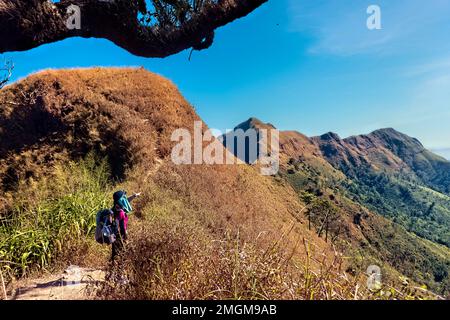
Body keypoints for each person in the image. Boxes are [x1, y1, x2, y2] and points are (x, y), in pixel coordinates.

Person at [111, 190, 141, 262]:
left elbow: (126, 200)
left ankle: (113, 266)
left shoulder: (115, 208)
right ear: (120, 200)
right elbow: (121, 226)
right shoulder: (121, 212)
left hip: (114, 235)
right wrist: (125, 236)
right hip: (120, 235)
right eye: (123, 197)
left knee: (115, 252)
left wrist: (134, 196)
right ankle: (117, 268)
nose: (125, 198)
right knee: (121, 252)